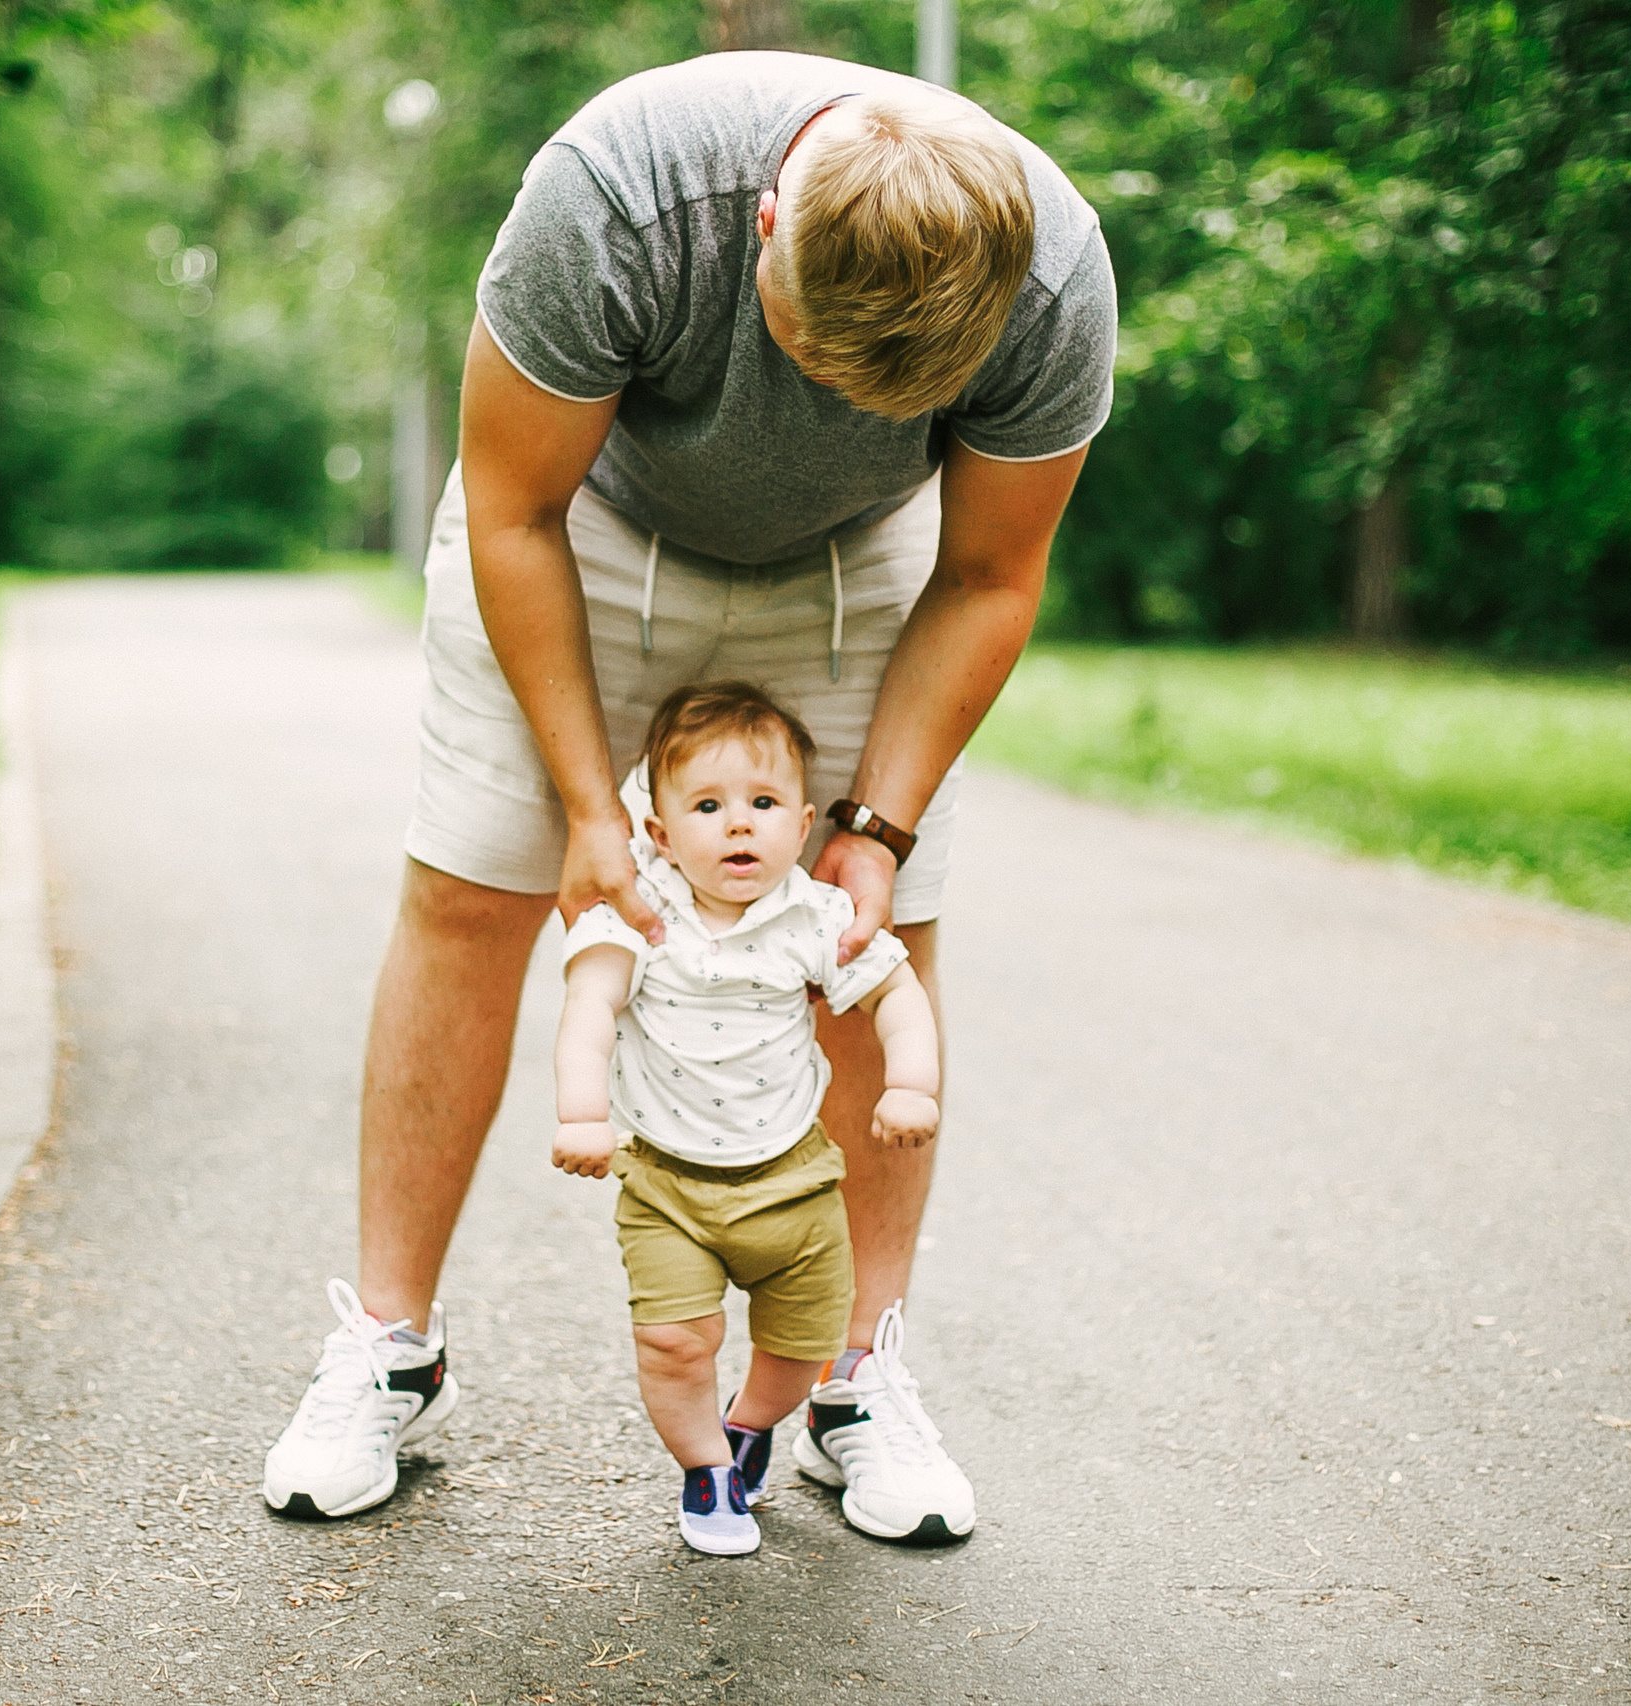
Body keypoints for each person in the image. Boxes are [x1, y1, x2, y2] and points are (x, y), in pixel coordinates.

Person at [261, 49, 1115, 1535]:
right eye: (812, 355)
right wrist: (597, 810)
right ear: (770, 219)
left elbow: (991, 573)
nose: (832, 399)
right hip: (582, 523)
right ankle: (387, 1347)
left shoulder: (1051, 285)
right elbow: (513, 508)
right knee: (474, 890)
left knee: (877, 929)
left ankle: (854, 1374)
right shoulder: (618, 195)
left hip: (870, 569)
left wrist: (878, 827)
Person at [551, 682, 946, 1554]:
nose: (739, 825)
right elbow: (589, 1007)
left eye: (763, 804)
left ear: (801, 825)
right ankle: (705, 1468)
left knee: (799, 1350)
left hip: (794, 1181)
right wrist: (583, 1114)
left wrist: (910, 1083)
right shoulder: (642, 916)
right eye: (708, 805)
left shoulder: (815, 916)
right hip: (667, 1183)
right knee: (673, 1342)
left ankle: (749, 1424)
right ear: (658, 835)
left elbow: (896, 993)